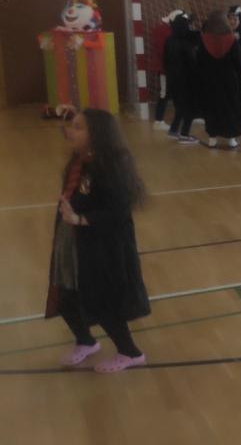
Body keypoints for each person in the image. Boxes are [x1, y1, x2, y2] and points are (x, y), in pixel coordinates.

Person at [46, 109, 150, 373]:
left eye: (78, 127)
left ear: (97, 135)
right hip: (73, 240)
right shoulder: (80, 161)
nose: (70, 131)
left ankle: (130, 352)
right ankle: (86, 341)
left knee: (104, 302)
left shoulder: (111, 165)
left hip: (103, 247)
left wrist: (81, 219)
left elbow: (117, 211)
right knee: (66, 296)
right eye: (72, 126)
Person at [197, 10, 241, 149]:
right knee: (230, 107)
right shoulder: (232, 40)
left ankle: (212, 138)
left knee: (212, 108)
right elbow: (239, 62)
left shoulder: (204, 40)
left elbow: (199, 61)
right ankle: (231, 139)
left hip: (210, 81)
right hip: (229, 80)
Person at [163, 12, 201, 144]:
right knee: (189, 108)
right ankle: (184, 134)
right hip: (185, 81)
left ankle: (173, 129)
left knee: (180, 107)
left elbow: (165, 61)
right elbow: (192, 63)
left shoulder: (169, 40)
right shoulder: (185, 43)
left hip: (173, 80)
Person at [151, 9, 183, 130]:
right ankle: (158, 121)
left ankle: (184, 115)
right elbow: (164, 51)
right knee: (164, 93)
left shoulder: (171, 30)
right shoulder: (163, 31)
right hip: (165, 69)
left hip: (173, 68)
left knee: (177, 93)